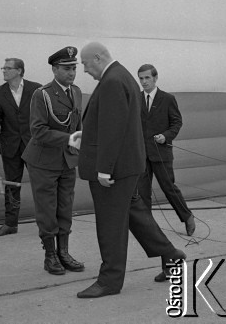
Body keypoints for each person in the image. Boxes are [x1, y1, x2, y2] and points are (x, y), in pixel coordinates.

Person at [75, 42, 186, 298]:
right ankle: (171, 255)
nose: (84, 69)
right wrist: (84, 135)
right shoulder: (122, 76)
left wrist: (104, 169)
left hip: (115, 170)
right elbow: (117, 123)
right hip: (127, 166)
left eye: (85, 63)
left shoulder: (113, 81)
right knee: (136, 215)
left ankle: (110, 281)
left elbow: (114, 130)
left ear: (98, 58)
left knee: (111, 224)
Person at [22, 47, 84, 275]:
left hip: (67, 161)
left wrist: (78, 143)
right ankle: (50, 255)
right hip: (43, 161)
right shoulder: (42, 94)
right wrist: (69, 138)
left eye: (74, 68)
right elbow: (37, 131)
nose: (72, 73)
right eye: (67, 69)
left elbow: (78, 126)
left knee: (65, 207)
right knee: (47, 209)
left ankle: (63, 252)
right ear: (55, 69)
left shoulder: (76, 92)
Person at [136, 64, 195, 242]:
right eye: (141, 78)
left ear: (155, 78)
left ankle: (187, 217)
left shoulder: (168, 99)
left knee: (169, 188)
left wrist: (166, 136)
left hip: (161, 152)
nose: (144, 81)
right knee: (143, 191)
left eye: (147, 78)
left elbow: (177, 123)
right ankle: (147, 228)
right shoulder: (136, 99)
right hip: (141, 154)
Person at [0, 58, 42, 237]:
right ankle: (10, 224)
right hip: (10, 145)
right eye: (3, 67)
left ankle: (48, 221)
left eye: (8, 68)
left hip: (33, 145)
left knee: (42, 184)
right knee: (11, 185)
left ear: (19, 71)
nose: (3, 70)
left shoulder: (36, 89)